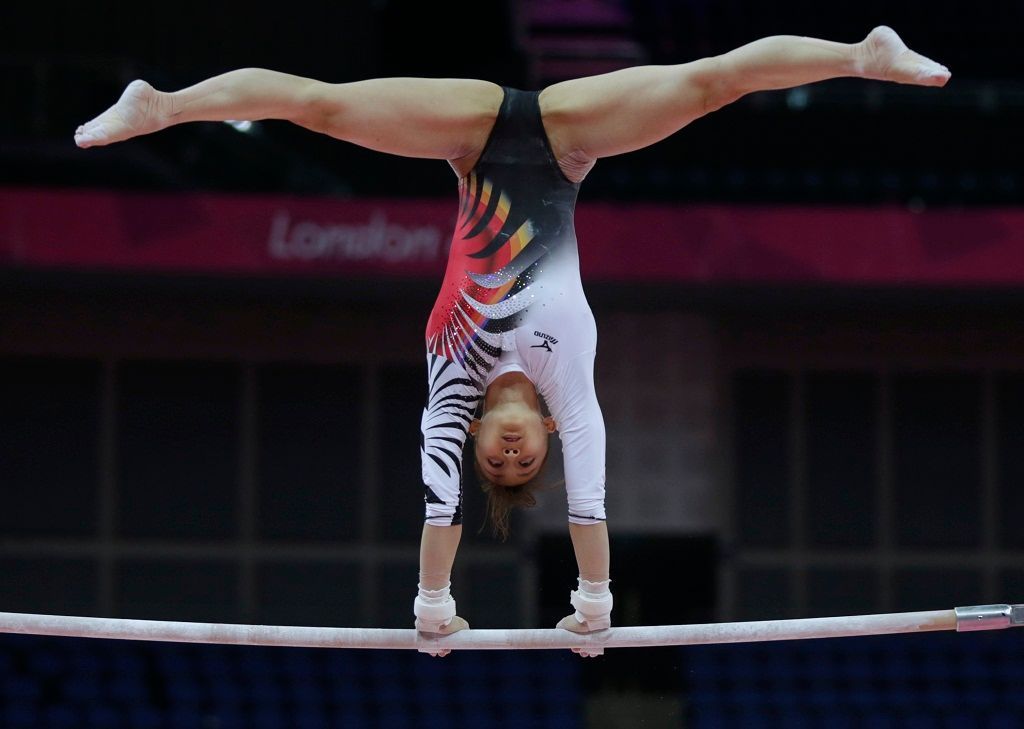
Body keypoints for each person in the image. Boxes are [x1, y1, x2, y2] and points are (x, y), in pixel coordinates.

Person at [75, 26, 949, 656]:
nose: (511, 453)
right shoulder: (570, 388)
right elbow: (593, 499)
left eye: (497, 462)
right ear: (545, 445)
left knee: (321, 108)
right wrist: (596, 603)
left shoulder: (451, 382)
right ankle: (857, 58)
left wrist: (432, 605)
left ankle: (161, 106)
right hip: (569, 144)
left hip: (470, 141)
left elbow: (436, 501)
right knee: (707, 83)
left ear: (479, 447)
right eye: (523, 465)